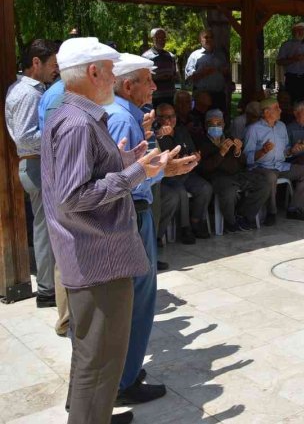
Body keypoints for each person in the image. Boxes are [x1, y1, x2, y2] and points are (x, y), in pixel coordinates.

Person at [43, 38, 179, 424]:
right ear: (93, 72)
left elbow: (82, 175)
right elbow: (74, 196)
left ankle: (96, 417)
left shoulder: (74, 115)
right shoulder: (76, 122)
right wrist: (137, 172)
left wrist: (127, 159)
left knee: (96, 359)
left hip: (92, 256)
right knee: (100, 363)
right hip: (97, 258)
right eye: (111, 69)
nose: (114, 78)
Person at [105, 54, 200, 407]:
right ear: (129, 86)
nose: (155, 86)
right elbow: (122, 178)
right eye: (148, 80)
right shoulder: (121, 119)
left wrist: (163, 168)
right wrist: (166, 169)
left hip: (136, 209)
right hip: (133, 212)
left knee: (139, 299)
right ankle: (123, 379)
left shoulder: (127, 116)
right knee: (138, 300)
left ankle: (127, 371)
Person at [5, 39, 59, 310]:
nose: (56, 70)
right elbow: (27, 138)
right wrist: (60, 133)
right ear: (36, 63)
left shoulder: (27, 90)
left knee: (45, 226)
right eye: (53, 65)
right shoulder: (28, 93)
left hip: (36, 164)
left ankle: (49, 287)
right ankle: (48, 290)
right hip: (36, 164)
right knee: (46, 229)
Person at [196, 109, 271, 232]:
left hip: (237, 174)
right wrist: (221, 153)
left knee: (264, 184)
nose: (216, 127)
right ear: (206, 126)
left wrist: (237, 152)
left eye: (218, 124)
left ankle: (243, 216)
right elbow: (205, 168)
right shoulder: (201, 143)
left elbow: (243, 162)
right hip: (218, 177)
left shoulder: (229, 139)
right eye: (211, 124)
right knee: (229, 191)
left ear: (223, 125)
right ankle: (230, 222)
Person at [244, 98, 304, 221]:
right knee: (271, 176)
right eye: (276, 108)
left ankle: (296, 209)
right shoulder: (253, 129)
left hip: (280, 166)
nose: (280, 110)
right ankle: (271, 213)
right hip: (261, 168)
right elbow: (246, 157)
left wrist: (292, 150)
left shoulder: (281, 126)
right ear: (266, 112)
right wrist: (263, 151)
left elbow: (286, 150)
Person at [155, 102, 214, 243]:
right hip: (169, 176)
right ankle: (185, 228)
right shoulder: (155, 135)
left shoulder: (181, 130)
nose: (170, 120)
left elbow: (191, 150)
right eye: (165, 117)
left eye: (172, 116)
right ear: (157, 118)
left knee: (205, 188)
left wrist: (195, 155)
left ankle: (196, 221)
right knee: (179, 192)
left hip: (186, 172)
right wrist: (160, 135)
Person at [185, 28, 231, 116]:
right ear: (200, 40)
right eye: (206, 37)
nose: (209, 39)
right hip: (202, 96)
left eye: (211, 37)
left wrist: (224, 72)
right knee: (201, 122)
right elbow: (188, 78)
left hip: (219, 96)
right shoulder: (195, 56)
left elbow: (227, 74)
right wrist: (202, 73)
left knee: (219, 122)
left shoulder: (220, 55)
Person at [141, 27, 179, 108]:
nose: (161, 40)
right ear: (152, 39)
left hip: (170, 96)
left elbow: (176, 75)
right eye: (158, 38)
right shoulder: (145, 57)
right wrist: (158, 77)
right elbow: (143, 78)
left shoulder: (171, 56)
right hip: (155, 97)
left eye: (163, 38)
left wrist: (173, 76)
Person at [277, 21, 304, 103]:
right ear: (293, 31)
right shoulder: (286, 45)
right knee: (291, 101)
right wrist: (294, 59)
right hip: (292, 78)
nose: (301, 32)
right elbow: (279, 62)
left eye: (303, 30)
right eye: (299, 30)